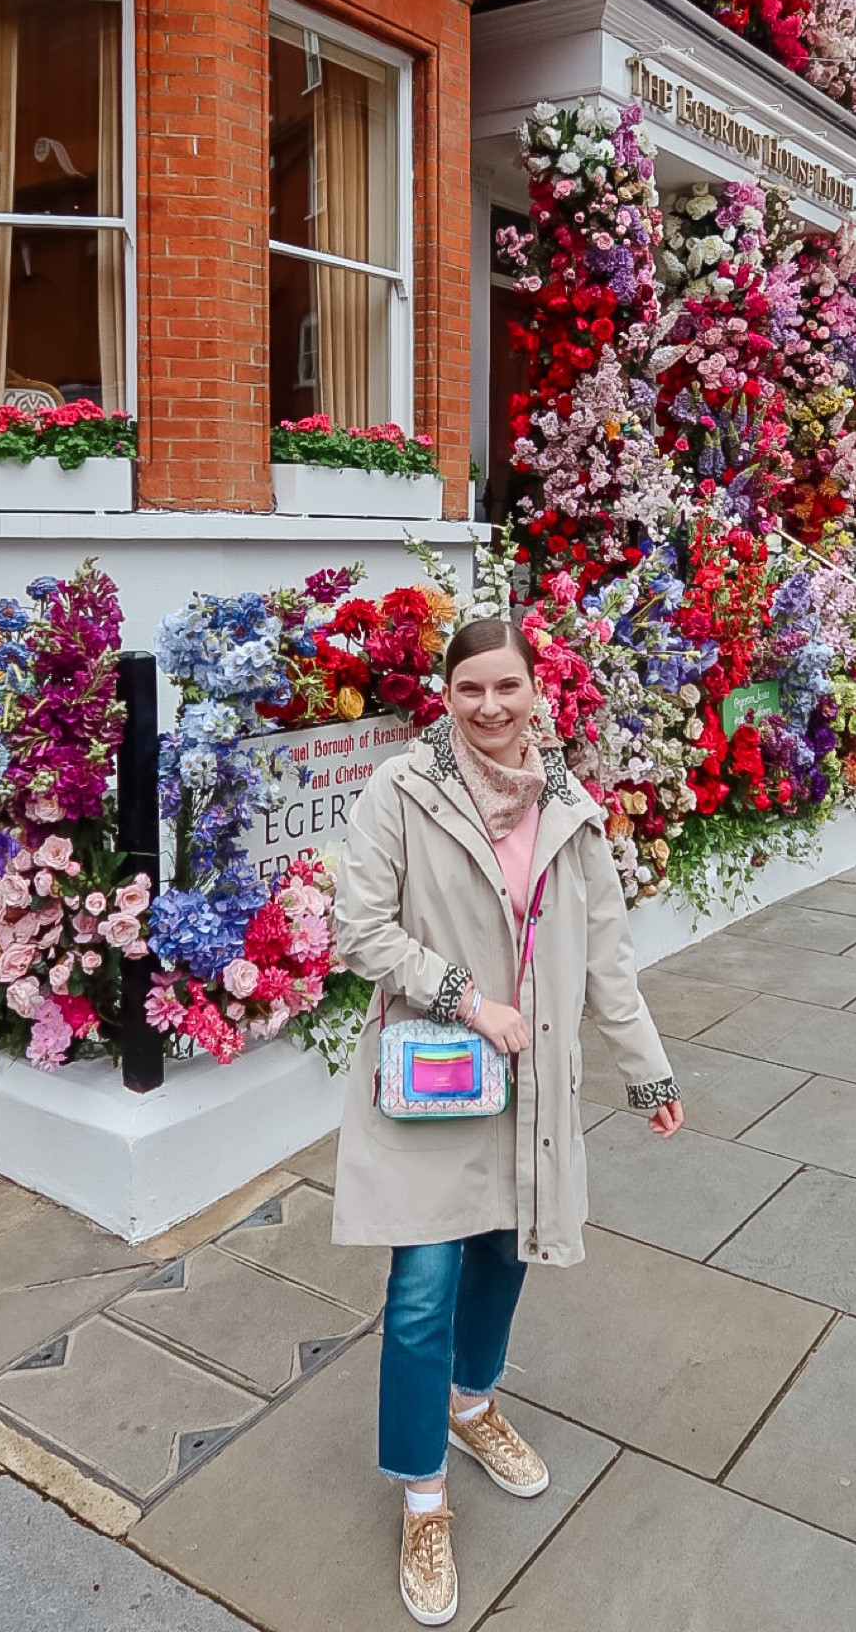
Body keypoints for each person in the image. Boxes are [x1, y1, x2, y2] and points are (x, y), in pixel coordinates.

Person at [332, 617, 683, 1626]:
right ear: (444, 693)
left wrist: (648, 1076)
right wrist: (464, 996)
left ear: (537, 690)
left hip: (532, 1085)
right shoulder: (400, 790)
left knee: (504, 1252)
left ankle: (473, 1405)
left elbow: (609, 958)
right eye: (469, 687)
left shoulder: (570, 806)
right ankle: (423, 1495)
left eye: (506, 686)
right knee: (420, 1287)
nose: (489, 706)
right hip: (438, 1075)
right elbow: (361, 929)